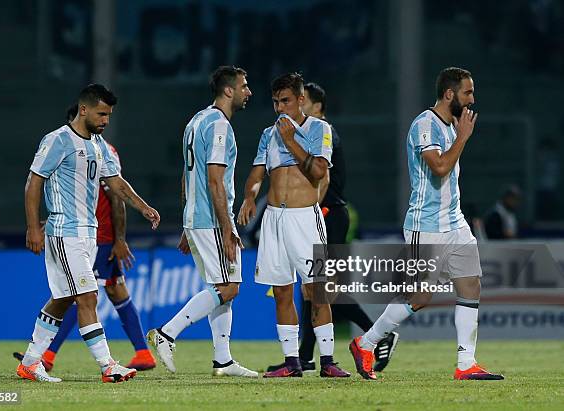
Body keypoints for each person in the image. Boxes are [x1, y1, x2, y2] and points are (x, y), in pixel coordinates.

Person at [348, 67, 504, 381]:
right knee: (419, 297)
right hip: (426, 225)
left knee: (470, 284)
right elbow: (440, 168)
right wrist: (462, 138)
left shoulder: (450, 125)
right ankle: (365, 343)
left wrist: (458, 134)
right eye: (467, 92)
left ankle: (465, 364)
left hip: (455, 223)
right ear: (450, 94)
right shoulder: (425, 125)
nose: (472, 99)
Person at [18, 84, 160, 383]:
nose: (106, 120)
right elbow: (34, 182)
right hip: (65, 232)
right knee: (88, 296)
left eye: (108, 114)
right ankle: (108, 366)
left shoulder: (97, 145)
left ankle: (31, 362)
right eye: (101, 113)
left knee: (63, 298)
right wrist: (33, 227)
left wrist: (144, 207)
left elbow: (116, 183)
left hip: (89, 234)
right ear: (84, 109)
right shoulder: (58, 140)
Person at [266, 82, 398, 373]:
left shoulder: (324, 133)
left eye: (305, 103)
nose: (298, 109)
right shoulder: (306, 135)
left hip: (327, 213)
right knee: (312, 289)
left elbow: (322, 179)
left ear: (317, 107)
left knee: (323, 289)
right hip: (323, 213)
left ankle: (377, 333)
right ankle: (305, 356)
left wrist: (309, 212)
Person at [146, 66, 257, 378]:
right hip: (212, 219)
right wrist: (226, 228)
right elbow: (214, 181)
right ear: (228, 91)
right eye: (244, 86)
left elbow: (186, 175)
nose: (249, 92)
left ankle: (223, 359)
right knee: (230, 287)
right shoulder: (220, 126)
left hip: (198, 217)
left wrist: (186, 221)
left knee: (219, 286)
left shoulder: (196, 121)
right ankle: (167, 332)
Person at [238, 72, 350, 378]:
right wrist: (249, 198)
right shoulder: (268, 134)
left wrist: (290, 140)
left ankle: (327, 361)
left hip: (305, 218)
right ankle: (291, 363)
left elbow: (316, 171)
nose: (279, 108)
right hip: (274, 219)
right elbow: (257, 174)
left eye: (284, 101)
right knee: (283, 291)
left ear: (300, 100)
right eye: (275, 102)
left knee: (317, 289)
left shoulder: (319, 129)